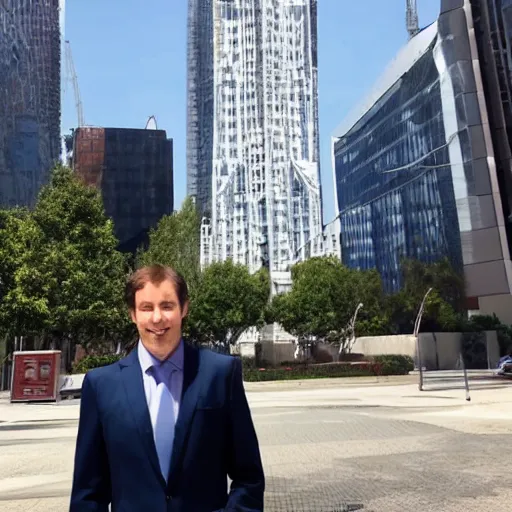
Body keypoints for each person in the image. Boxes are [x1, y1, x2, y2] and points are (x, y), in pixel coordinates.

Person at [70, 264, 265, 511]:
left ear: (184, 308)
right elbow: (87, 493)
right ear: (132, 313)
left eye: (167, 306)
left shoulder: (220, 374)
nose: (157, 318)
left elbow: (249, 477)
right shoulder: (101, 386)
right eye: (146, 308)